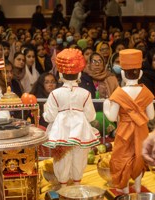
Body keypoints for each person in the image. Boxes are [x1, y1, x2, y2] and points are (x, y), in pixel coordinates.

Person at [43, 48, 100, 188]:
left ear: (60, 74)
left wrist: (45, 111)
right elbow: (91, 116)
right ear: (79, 73)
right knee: (79, 160)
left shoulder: (55, 94)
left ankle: (63, 188)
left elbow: (49, 117)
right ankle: (77, 187)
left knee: (62, 160)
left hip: (60, 133)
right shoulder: (85, 93)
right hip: (81, 132)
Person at [103, 49, 154, 193]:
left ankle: (124, 190)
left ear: (123, 74)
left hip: (124, 130)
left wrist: (107, 107)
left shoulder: (119, 93)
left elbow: (112, 118)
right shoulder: (146, 92)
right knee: (139, 158)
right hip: (141, 129)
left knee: (122, 159)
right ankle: (137, 187)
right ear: (141, 74)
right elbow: (150, 116)